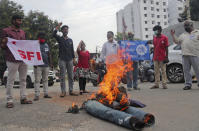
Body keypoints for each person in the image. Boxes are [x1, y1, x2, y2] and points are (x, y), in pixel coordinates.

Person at [0, 15, 32, 108]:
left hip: (23, 59)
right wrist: (4, 42)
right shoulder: (5, 31)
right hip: (11, 58)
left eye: (21, 20)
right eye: (18, 20)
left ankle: (23, 98)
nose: (20, 22)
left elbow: (24, 44)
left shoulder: (22, 32)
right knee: (11, 80)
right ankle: (9, 100)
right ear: (13, 21)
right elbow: (2, 46)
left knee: (23, 79)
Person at [171, 20, 199, 90]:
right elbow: (177, 41)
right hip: (185, 55)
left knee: (197, 70)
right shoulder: (183, 35)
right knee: (186, 71)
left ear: (192, 26)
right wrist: (173, 35)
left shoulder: (197, 33)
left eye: (187, 25)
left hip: (195, 55)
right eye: (185, 26)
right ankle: (188, 84)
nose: (186, 27)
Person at [53, 23, 78, 97]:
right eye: (64, 29)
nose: (66, 30)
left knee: (71, 75)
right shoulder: (60, 38)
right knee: (62, 76)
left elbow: (72, 50)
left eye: (67, 29)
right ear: (62, 31)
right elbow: (54, 34)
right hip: (62, 59)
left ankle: (71, 90)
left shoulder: (70, 40)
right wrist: (57, 27)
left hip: (70, 59)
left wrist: (74, 59)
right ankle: (63, 91)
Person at [33, 32, 52, 101]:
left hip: (46, 65)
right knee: (37, 80)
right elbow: (32, 54)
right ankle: (37, 95)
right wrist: (34, 63)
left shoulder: (46, 45)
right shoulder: (35, 45)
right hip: (38, 65)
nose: (42, 38)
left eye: (43, 37)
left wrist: (51, 63)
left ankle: (46, 94)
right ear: (38, 38)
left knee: (45, 80)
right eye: (41, 37)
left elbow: (49, 54)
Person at [150, 25, 169, 89]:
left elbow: (166, 48)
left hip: (162, 57)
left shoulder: (165, 38)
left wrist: (166, 57)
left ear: (160, 30)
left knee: (163, 71)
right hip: (155, 57)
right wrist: (153, 57)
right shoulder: (154, 38)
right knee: (156, 71)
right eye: (154, 31)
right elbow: (154, 47)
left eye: (155, 30)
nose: (155, 32)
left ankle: (164, 84)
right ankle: (156, 84)